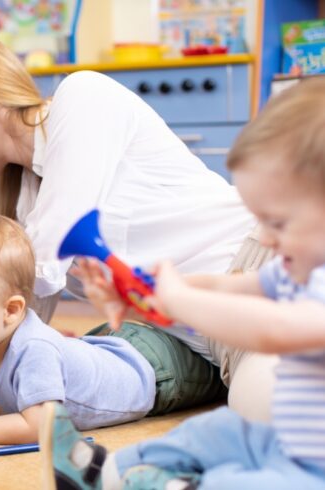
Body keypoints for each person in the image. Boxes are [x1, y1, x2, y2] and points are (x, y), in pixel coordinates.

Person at [0, 32, 274, 415]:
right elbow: (9, 339)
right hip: (204, 344)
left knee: (267, 408)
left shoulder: (83, 98)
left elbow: (49, 255)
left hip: (258, 273)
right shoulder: (27, 206)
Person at [45, 77, 325, 490]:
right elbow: (229, 289)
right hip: (285, 438)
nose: (263, 238)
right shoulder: (294, 269)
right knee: (210, 433)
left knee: (235, 481)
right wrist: (145, 295)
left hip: (313, 469)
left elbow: (269, 328)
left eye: (278, 223)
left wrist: (177, 299)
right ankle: (102, 473)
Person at [0, 214, 222, 446]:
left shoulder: (32, 349)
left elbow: (40, 427)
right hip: (113, 345)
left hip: (155, 373)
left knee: (221, 376)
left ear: (11, 311)